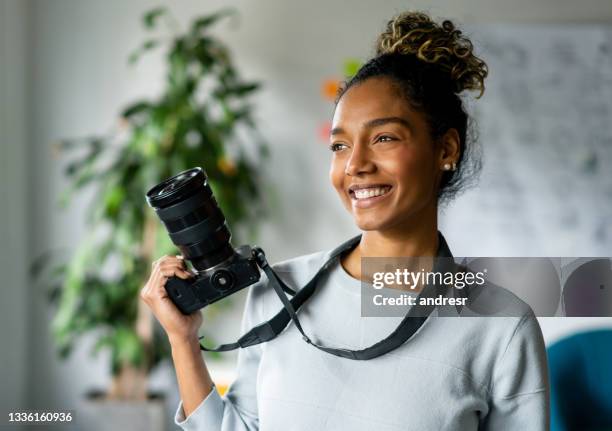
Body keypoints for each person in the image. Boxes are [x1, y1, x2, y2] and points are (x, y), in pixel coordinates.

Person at [140, 10, 549, 430]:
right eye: (339, 146)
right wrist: (183, 339)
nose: (355, 164)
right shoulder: (279, 291)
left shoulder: (501, 325)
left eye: (384, 138)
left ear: (445, 149)